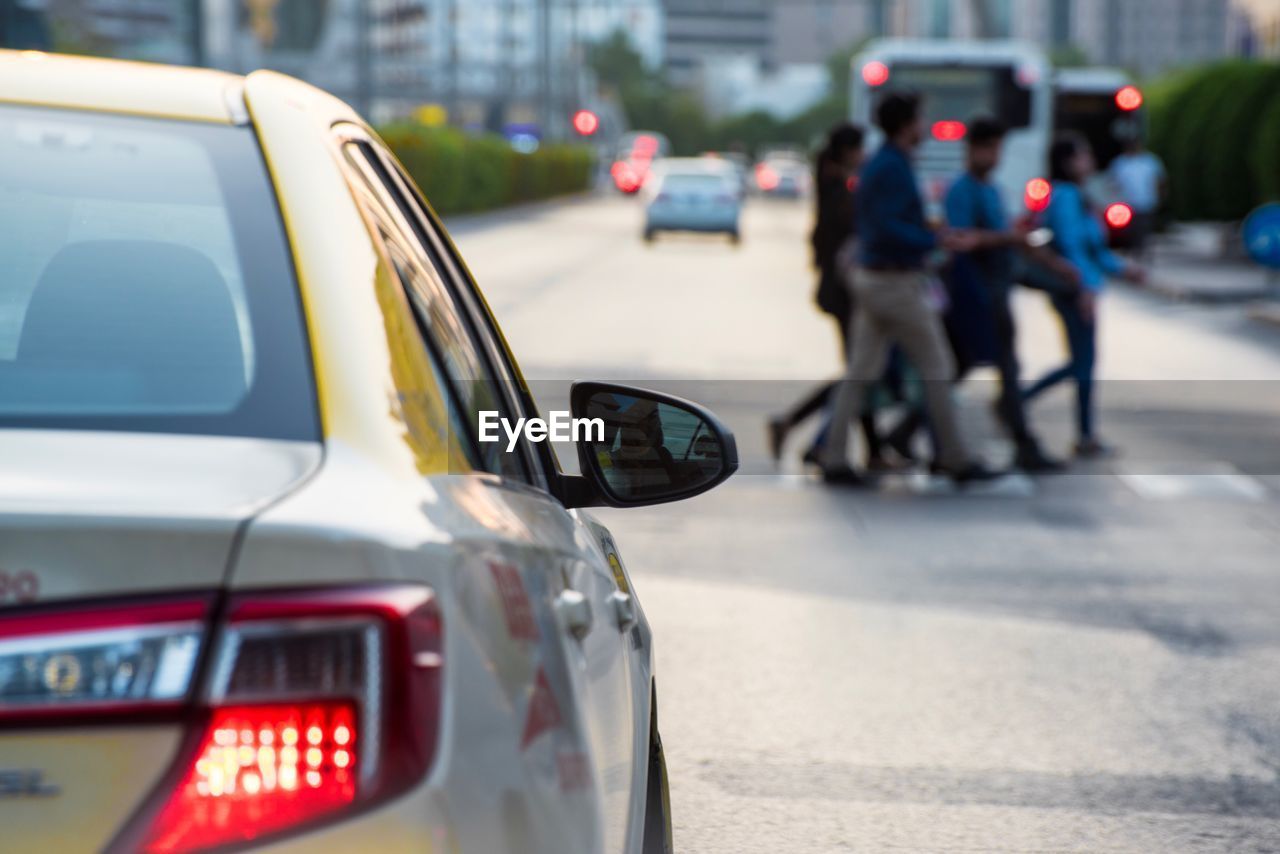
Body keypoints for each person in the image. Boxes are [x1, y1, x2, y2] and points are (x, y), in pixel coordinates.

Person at [818, 92, 998, 487]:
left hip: (876, 278)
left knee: (861, 372)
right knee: (939, 367)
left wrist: (928, 234)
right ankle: (954, 457)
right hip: (894, 281)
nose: (924, 128)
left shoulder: (884, 163)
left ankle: (833, 455)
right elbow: (886, 226)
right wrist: (932, 240)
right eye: (920, 120)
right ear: (905, 125)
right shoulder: (892, 166)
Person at [929, 116, 1065, 472]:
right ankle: (1021, 443)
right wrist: (1008, 238)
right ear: (974, 149)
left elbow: (994, 234)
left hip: (997, 288)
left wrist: (1016, 237)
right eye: (990, 148)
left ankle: (911, 430)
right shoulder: (963, 190)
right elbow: (962, 239)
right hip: (975, 293)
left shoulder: (990, 189)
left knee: (976, 366)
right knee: (981, 364)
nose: (995, 156)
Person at [767, 123, 890, 468]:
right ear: (848, 151)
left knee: (859, 371)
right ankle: (802, 428)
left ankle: (857, 445)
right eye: (859, 150)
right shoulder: (838, 190)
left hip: (840, 290)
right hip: (844, 292)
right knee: (859, 371)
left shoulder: (834, 183)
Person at [1023, 132, 1144, 458]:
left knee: (1083, 363)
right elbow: (1072, 247)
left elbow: (1095, 250)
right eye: (1083, 155)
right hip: (1073, 290)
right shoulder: (1065, 197)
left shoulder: (1078, 195)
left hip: (1081, 288)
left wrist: (1124, 270)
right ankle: (1020, 402)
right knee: (1082, 363)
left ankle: (1083, 431)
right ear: (1068, 162)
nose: (1089, 161)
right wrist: (1084, 289)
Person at [1108, 134, 1166, 262]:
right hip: (1127, 203)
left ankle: (1143, 252)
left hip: (1146, 201)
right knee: (1130, 230)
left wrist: (1160, 198)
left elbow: (1160, 181)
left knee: (1145, 228)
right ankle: (1132, 251)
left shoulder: (1150, 161)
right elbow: (1112, 182)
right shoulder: (1121, 163)